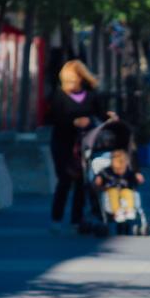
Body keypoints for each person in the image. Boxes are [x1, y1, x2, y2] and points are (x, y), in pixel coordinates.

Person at [48, 60, 116, 233]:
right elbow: (53, 118)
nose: (69, 86)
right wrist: (73, 122)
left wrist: (108, 117)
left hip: (84, 144)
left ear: (80, 79)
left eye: (72, 81)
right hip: (63, 143)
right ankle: (56, 218)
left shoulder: (91, 95)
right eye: (66, 82)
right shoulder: (58, 96)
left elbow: (100, 114)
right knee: (64, 180)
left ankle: (76, 220)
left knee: (82, 181)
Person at [94, 148, 143, 223]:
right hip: (111, 188)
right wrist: (99, 180)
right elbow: (100, 177)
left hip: (124, 188)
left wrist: (137, 178)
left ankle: (129, 209)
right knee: (113, 194)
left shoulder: (128, 171)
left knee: (128, 193)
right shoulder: (107, 171)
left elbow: (133, 178)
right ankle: (117, 212)